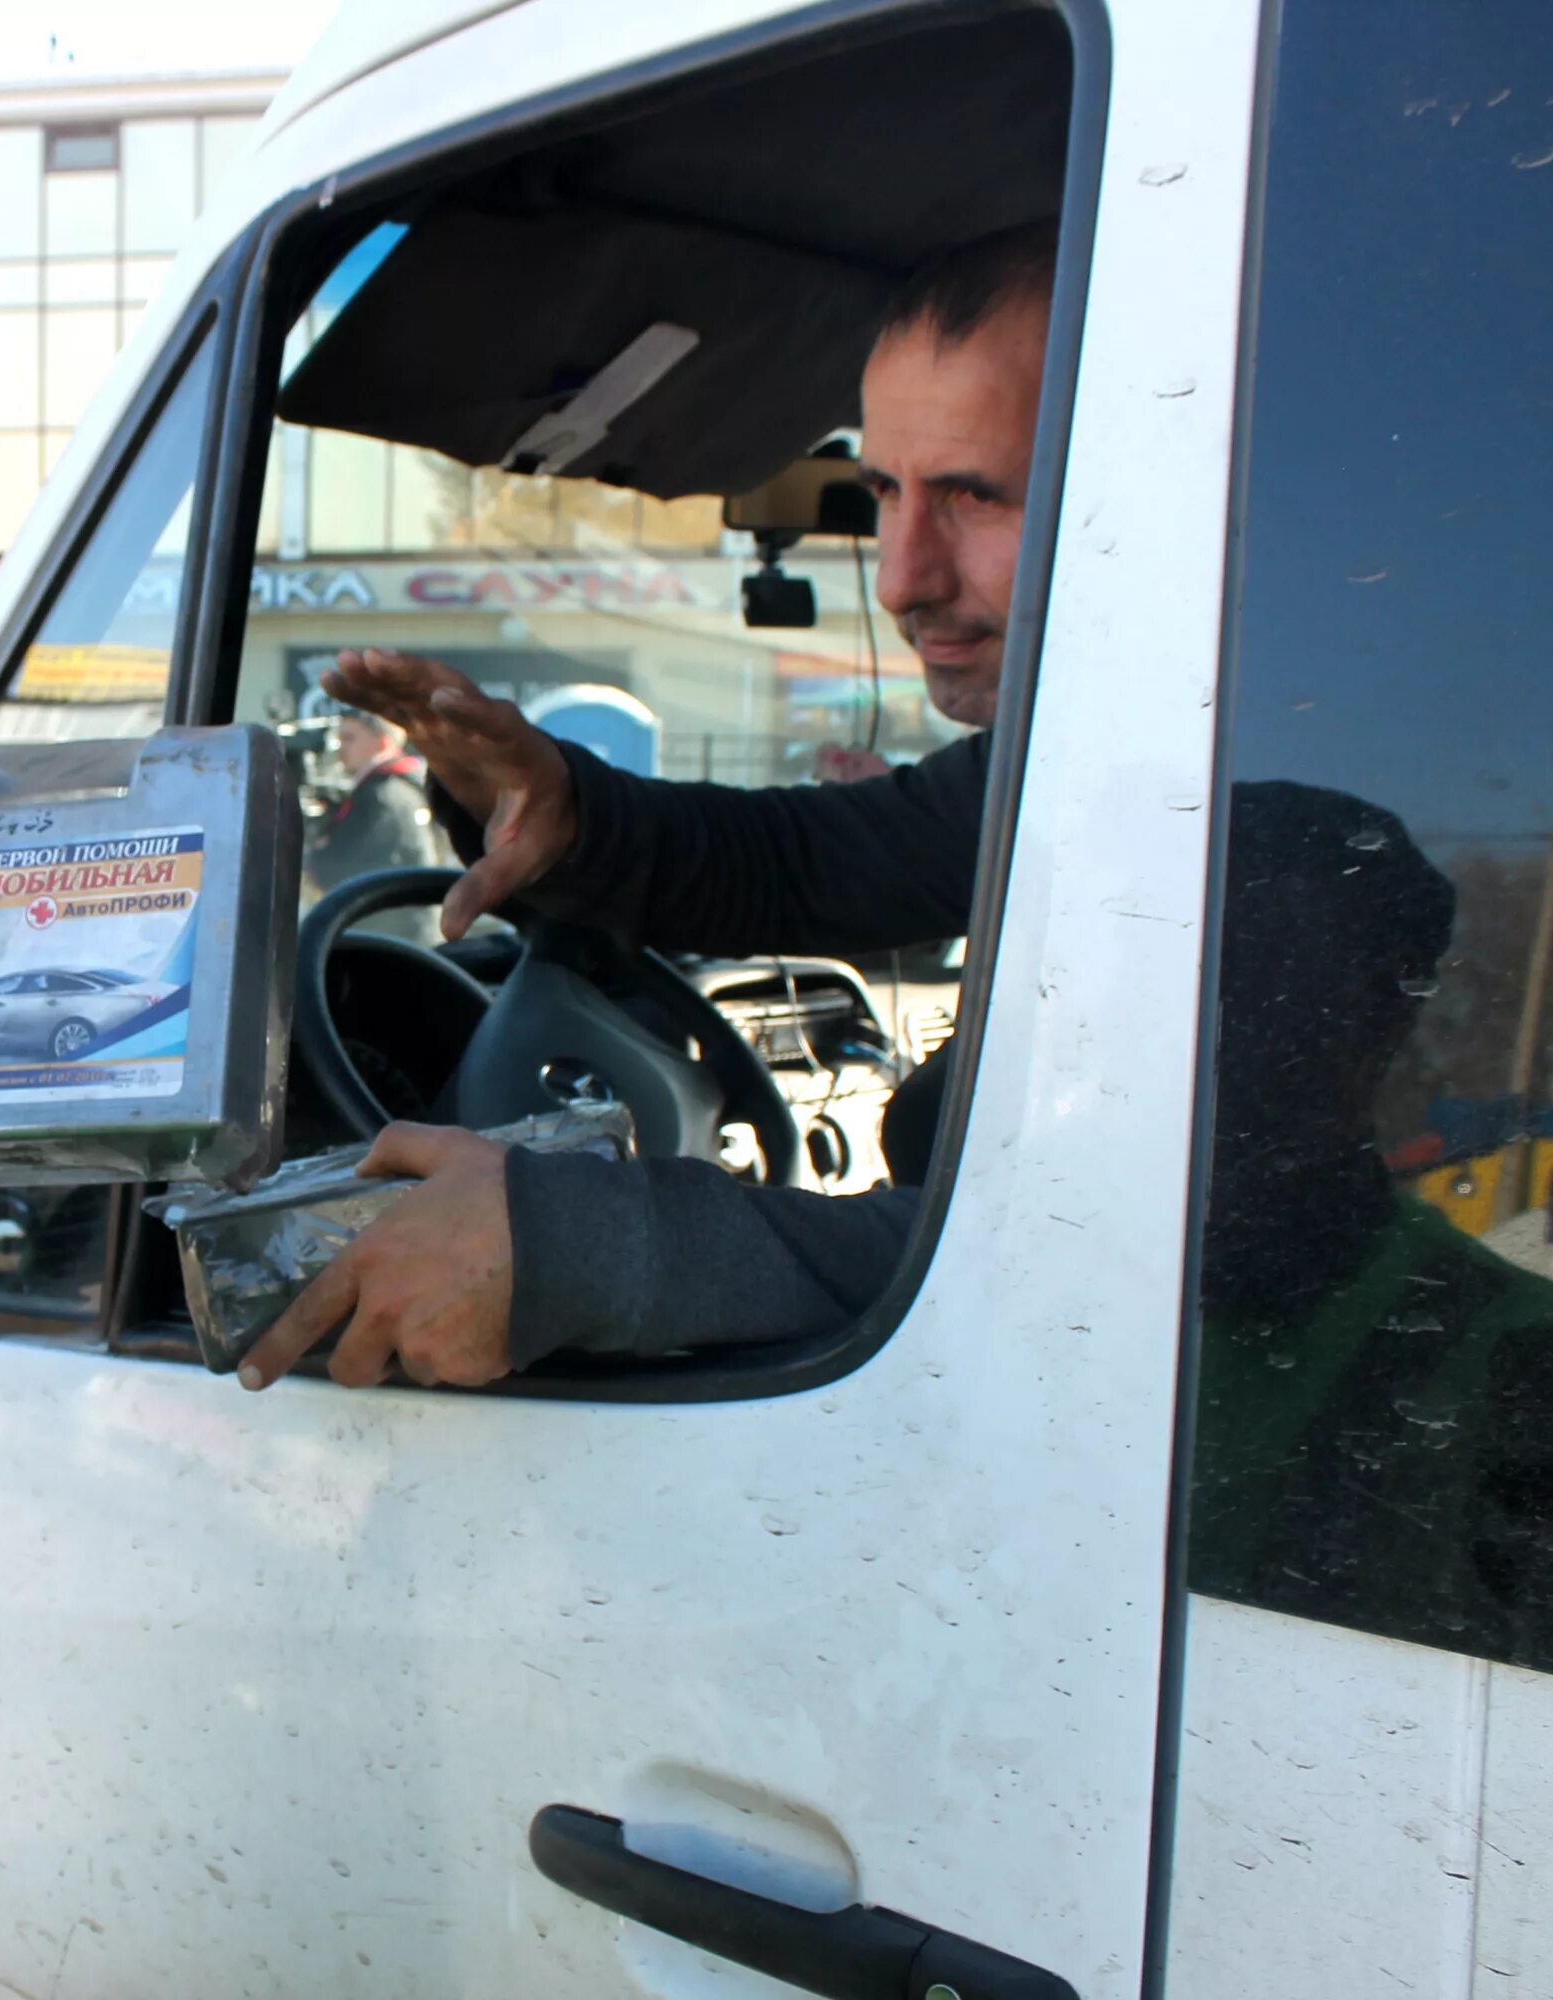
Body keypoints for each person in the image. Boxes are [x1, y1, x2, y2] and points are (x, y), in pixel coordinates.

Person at [240, 222, 1052, 1392]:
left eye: (974, 496)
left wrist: (573, 1244)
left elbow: (1087, 1271)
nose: (901, 576)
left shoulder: (1248, 829)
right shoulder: (1062, 781)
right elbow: (797, 863)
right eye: (882, 491)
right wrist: (567, 812)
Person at [304, 707, 445, 896]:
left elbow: (339, 871)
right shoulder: (407, 788)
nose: (340, 747)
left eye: (349, 738)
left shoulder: (381, 797)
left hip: (388, 919)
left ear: (382, 743)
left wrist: (311, 855)